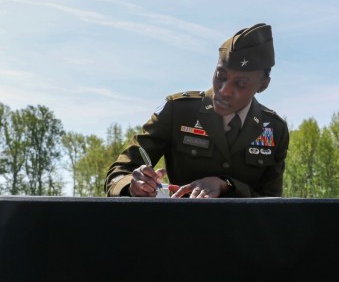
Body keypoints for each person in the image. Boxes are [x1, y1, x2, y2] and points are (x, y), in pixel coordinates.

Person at [105, 23, 289, 198]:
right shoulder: (178, 111)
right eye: (220, 76)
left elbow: (271, 202)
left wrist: (227, 185)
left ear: (263, 85)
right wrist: (133, 185)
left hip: (241, 230)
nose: (224, 90)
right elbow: (118, 173)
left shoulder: (274, 129)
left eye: (240, 84)